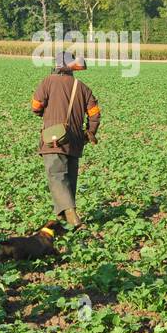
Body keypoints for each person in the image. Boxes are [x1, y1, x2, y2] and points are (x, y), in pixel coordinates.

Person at [31, 50, 101, 228]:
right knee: (69, 178)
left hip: (54, 138)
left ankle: (71, 216)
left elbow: (36, 106)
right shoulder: (82, 87)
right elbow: (94, 114)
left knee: (56, 176)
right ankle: (62, 220)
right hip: (76, 139)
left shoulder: (47, 82)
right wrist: (89, 132)